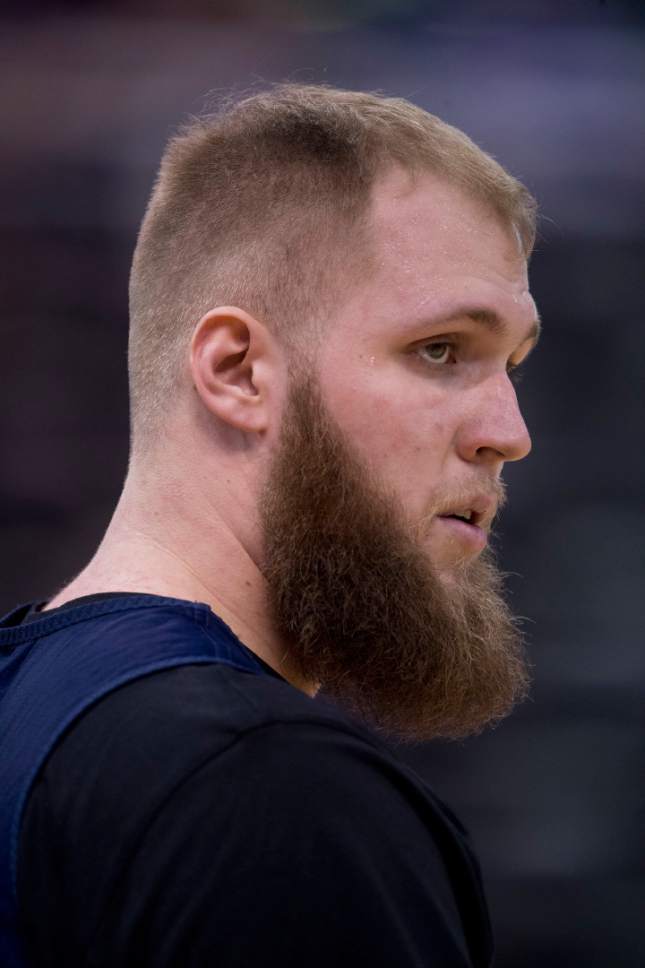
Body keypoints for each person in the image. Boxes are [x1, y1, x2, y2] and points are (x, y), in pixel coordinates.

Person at [0, 84, 541, 967]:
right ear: (239, 371)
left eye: (512, 363)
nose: (508, 434)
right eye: (440, 350)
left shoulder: (29, 714)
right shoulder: (264, 789)